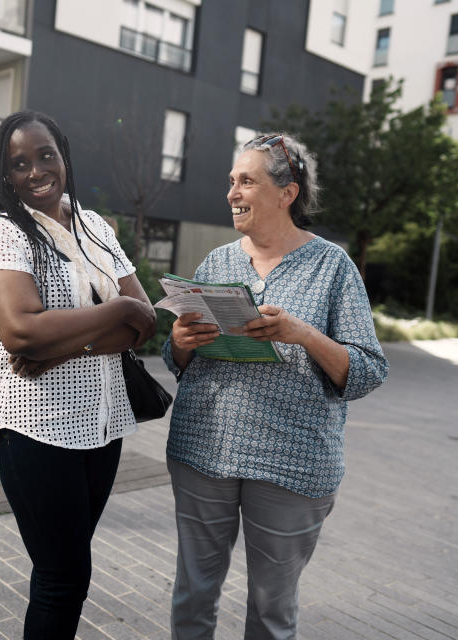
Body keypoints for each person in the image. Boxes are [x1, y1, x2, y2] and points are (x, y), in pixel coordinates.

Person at [163, 132, 389, 639]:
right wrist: (180, 341)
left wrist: (301, 334)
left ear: (287, 194)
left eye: (247, 181)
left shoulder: (333, 266)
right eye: (231, 181)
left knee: (270, 609)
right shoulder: (217, 262)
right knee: (193, 594)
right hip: (204, 450)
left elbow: (369, 369)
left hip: (291, 463)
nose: (232, 192)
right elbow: (178, 361)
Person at [0, 110, 156, 638]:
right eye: (19, 163)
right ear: (4, 175)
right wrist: (114, 312)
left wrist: (62, 346)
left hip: (103, 427)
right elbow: (22, 333)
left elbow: (143, 321)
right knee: (62, 577)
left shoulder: (95, 225)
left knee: (68, 573)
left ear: (64, 157)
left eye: (45, 155)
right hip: (35, 428)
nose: (35, 171)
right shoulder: (2, 231)